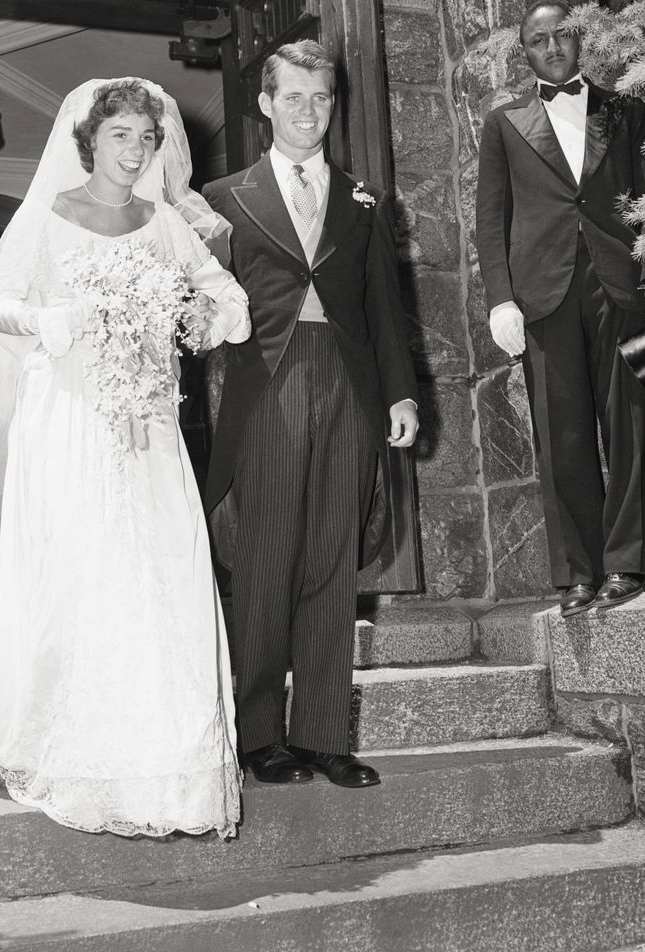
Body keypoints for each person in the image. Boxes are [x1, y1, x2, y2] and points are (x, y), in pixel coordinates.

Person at [0, 78, 250, 838]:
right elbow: (0, 305)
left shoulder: (162, 224)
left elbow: (225, 298)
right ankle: (77, 738)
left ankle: (169, 761)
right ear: (89, 141)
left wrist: (195, 316)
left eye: (147, 138)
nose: (136, 150)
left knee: (162, 571)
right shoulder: (48, 216)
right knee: (87, 567)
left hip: (149, 422)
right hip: (69, 418)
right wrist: (65, 317)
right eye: (121, 134)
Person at [202, 41, 419, 788]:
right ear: (265, 103)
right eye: (292, 96)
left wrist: (399, 392)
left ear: (334, 102)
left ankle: (324, 734)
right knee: (265, 558)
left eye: (320, 97)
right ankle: (258, 733)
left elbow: (385, 311)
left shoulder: (363, 199)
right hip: (266, 382)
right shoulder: (223, 198)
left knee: (332, 558)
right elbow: (199, 313)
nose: (307, 110)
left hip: (350, 387)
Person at [475, 1, 645, 618]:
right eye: (539, 39)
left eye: (562, 35)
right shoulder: (504, 123)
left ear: (579, 41)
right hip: (543, 292)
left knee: (631, 422)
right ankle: (578, 574)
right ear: (524, 51)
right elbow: (491, 220)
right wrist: (501, 299)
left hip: (620, 282)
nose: (552, 46)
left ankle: (630, 563)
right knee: (561, 433)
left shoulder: (627, 110)